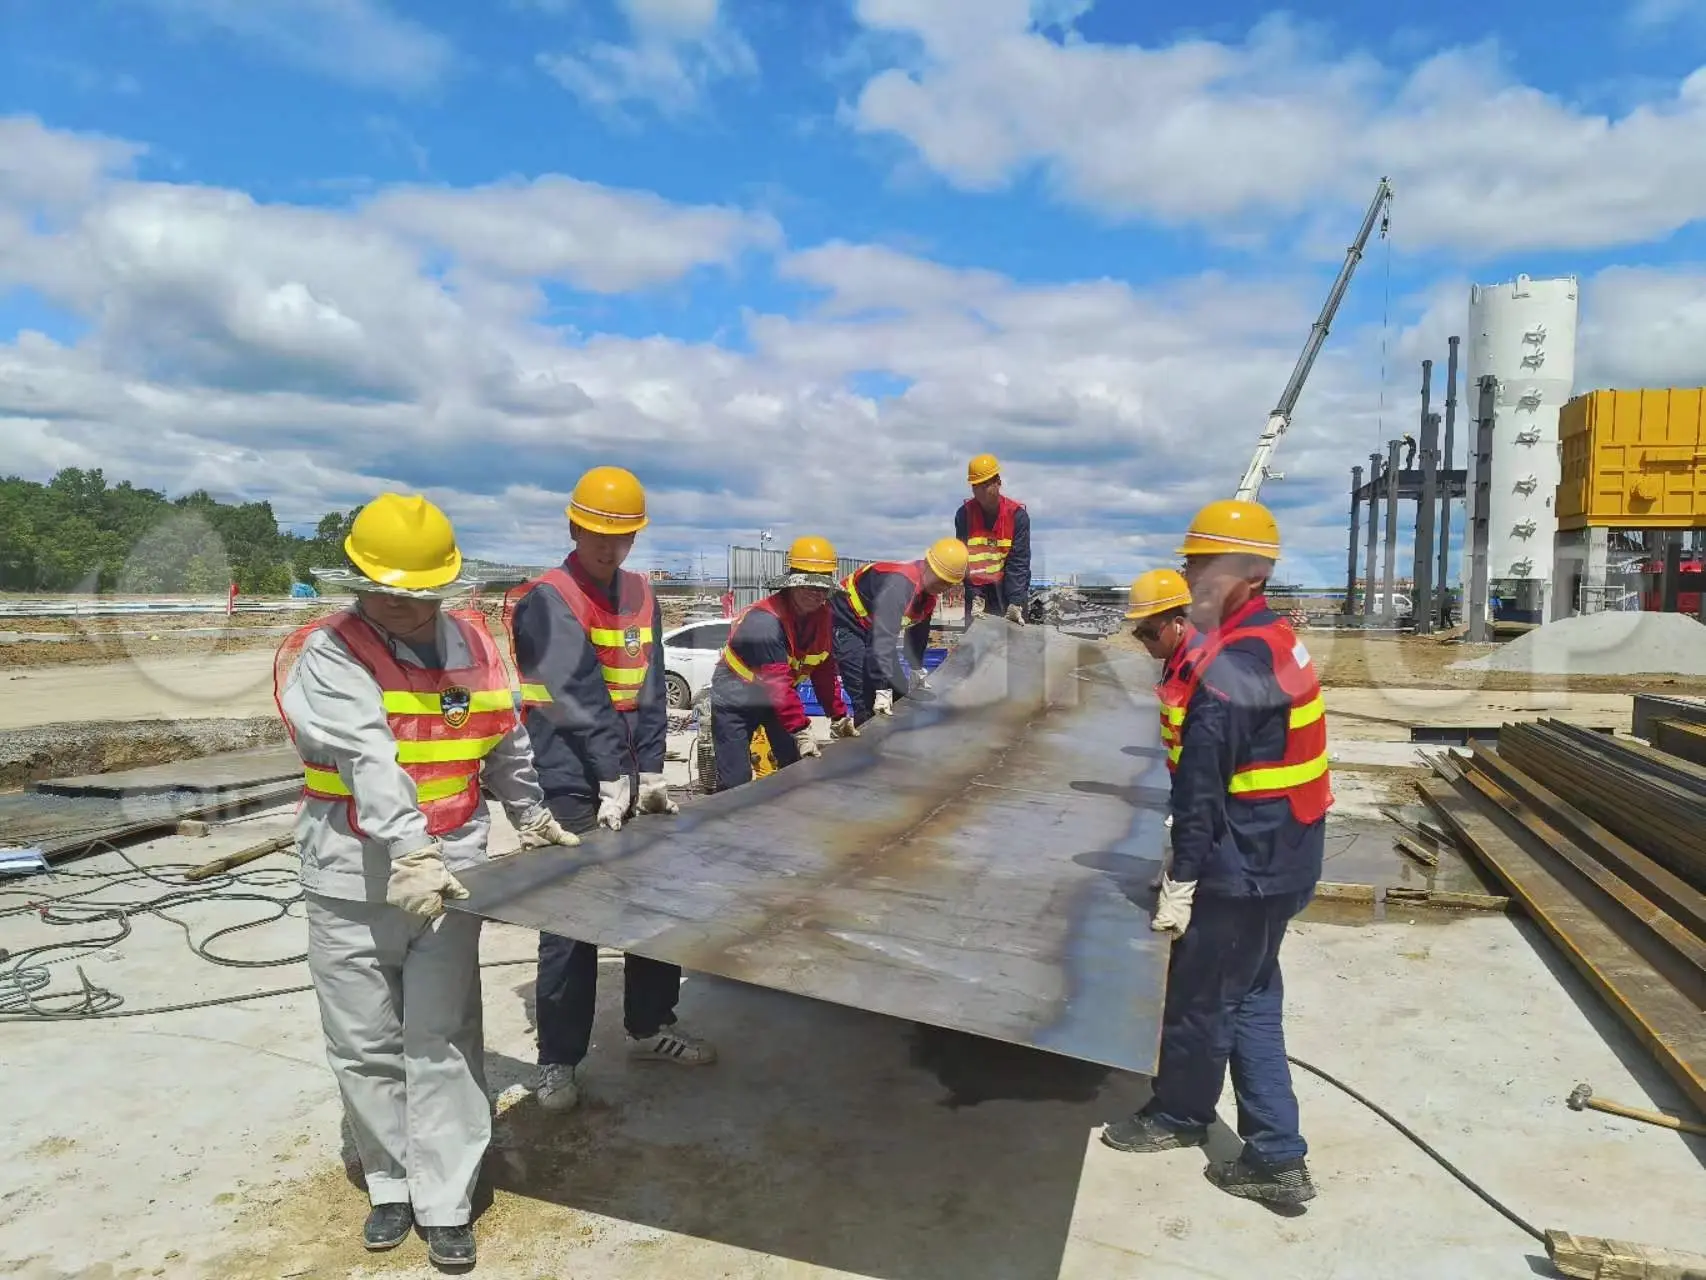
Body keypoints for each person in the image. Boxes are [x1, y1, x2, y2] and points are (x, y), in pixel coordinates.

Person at [275, 493, 579, 1269]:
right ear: (358, 582)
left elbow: (505, 738)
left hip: (451, 875)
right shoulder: (328, 652)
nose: (403, 609)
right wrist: (411, 853)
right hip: (351, 874)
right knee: (364, 1039)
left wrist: (531, 815)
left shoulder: (474, 642)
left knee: (442, 1037)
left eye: (419, 596)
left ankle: (446, 1198)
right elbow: (369, 756)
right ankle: (390, 1183)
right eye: (387, 594)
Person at [1101, 499, 1331, 1210]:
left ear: (1245, 573)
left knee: (1202, 998)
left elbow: (1201, 790)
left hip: (1246, 862)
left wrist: (1184, 877)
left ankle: (1182, 1116)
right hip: (1287, 850)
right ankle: (1276, 1151)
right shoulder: (1271, 637)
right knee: (1252, 993)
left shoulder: (1232, 665)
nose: (1192, 577)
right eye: (1192, 564)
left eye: (1203, 565)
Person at [505, 465, 714, 1115]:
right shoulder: (548, 598)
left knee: (654, 901)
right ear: (573, 528)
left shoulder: (643, 594)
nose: (608, 546)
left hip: (626, 770)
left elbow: (650, 685)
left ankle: (649, 1025)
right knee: (572, 920)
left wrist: (649, 771)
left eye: (620, 535)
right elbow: (575, 693)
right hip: (569, 774)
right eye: (597, 532)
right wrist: (606, 776)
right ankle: (559, 1059)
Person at [710, 535, 857, 789]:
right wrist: (801, 729)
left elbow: (823, 670)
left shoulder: (822, 616)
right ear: (792, 584)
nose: (816, 594)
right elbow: (778, 684)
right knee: (737, 781)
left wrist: (839, 716)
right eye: (808, 587)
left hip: (777, 698)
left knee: (795, 766)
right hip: (736, 699)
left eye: (822, 589)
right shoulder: (764, 623)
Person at [831, 538, 967, 725]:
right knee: (865, 693)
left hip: (872, 626)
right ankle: (867, 736)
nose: (942, 587)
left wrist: (916, 667)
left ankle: (896, 737)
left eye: (948, 583)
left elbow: (918, 633)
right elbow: (881, 640)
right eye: (940, 580)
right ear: (927, 565)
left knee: (899, 692)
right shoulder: (899, 586)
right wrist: (881, 689)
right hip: (845, 620)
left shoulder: (927, 596)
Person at [1124, 567, 1202, 776]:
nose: (1143, 640)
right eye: (1138, 632)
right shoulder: (1175, 659)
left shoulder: (1200, 669)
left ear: (1179, 625)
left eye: (1149, 631)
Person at [955, 452, 1031, 627]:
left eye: (986, 485)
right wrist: (975, 596)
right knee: (977, 638)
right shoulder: (965, 515)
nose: (981, 491)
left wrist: (1015, 601)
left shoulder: (1017, 516)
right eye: (976, 486)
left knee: (1014, 638)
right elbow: (965, 560)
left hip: (1008, 586)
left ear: (998, 483)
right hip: (978, 590)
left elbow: (1019, 561)